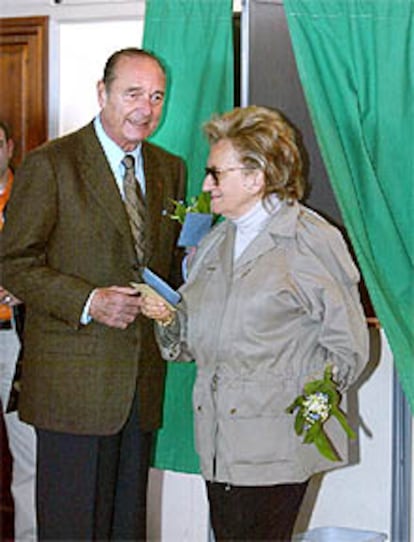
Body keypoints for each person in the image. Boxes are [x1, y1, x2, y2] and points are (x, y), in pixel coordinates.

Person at [141, 105, 369, 541]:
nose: (206, 186)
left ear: (256, 176)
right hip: (218, 440)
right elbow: (189, 340)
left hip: (275, 443)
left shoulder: (309, 240)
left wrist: (313, 401)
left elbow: (349, 346)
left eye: (216, 174)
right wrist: (168, 316)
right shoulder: (215, 242)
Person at [1, 48, 185, 541]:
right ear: (102, 94)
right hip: (71, 390)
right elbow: (13, 262)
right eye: (132, 94)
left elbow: (166, 265)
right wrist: (88, 301)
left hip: (140, 387)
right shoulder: (52, 165)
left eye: (156, 96)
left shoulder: (171, 169)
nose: (145, 108)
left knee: (127, 530)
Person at [0, 119, 37, 541]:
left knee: (29, 456)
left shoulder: (34, 195)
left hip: (19, 343)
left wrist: (26, 286)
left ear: (10, 147)